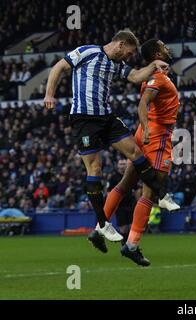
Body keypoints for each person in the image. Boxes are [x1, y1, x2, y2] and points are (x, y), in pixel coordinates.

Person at [43, 29, 170, 248]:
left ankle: (161, 194)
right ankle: (103, 223)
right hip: (84, 119)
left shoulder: (117, 65)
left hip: (107, 117)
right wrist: (49, 93)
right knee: (95, 169)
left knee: (136, 152)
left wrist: (153, 65)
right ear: (120, 44)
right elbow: (59, 67)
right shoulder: (87, 51)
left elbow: (135, 76)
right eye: (128, 53)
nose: (128, 57)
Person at [102, 39, 180, 266]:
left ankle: (100, 226)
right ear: (157, 53)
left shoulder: (154, 75)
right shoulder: (157, 78)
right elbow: (143, 104)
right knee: (150, 192)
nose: (168, 48)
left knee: (126, 183)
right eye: (164, 46)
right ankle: (132, 245)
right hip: (156, 137)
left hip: (147, 133)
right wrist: (146, 128)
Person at [107, 159, 135, 246]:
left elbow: (137, 189)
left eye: (124, 164)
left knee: (131, 227)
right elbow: (109, 192)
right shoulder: (113, 177)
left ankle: (131, 245)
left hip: (130, 204)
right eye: (120, 164)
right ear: (118, 166)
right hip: (120, 205)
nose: (122, 166)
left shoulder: (131, 175)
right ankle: (124, 245)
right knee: (123, 228)